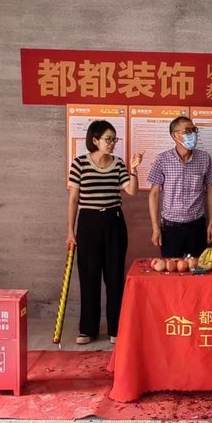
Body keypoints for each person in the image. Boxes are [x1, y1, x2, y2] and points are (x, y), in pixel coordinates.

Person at [67, 121, 143, 345]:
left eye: (114, 139)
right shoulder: (79, 164)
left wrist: (134, 169)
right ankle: (87, 329)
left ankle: (115, 328)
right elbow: (73, 199)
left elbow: (131, 191)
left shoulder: (118, 164)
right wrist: (70, 231)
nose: (112, 143)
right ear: (95, 140)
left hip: (114, 222)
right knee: (89, 277)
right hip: (88, 222)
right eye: (108, 139)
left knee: (114, 278)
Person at [147, 116, 212, 258]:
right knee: (171, 268)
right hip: (171, 228)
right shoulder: (162, 159)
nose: (193, 134)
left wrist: (211, 223)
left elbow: (211, 190)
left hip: (197, 227)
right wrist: (155, 227)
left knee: (198, 268)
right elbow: (154, 194)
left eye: (194, 130)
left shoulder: (204, 158)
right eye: (188, 131)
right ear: (174, 135)